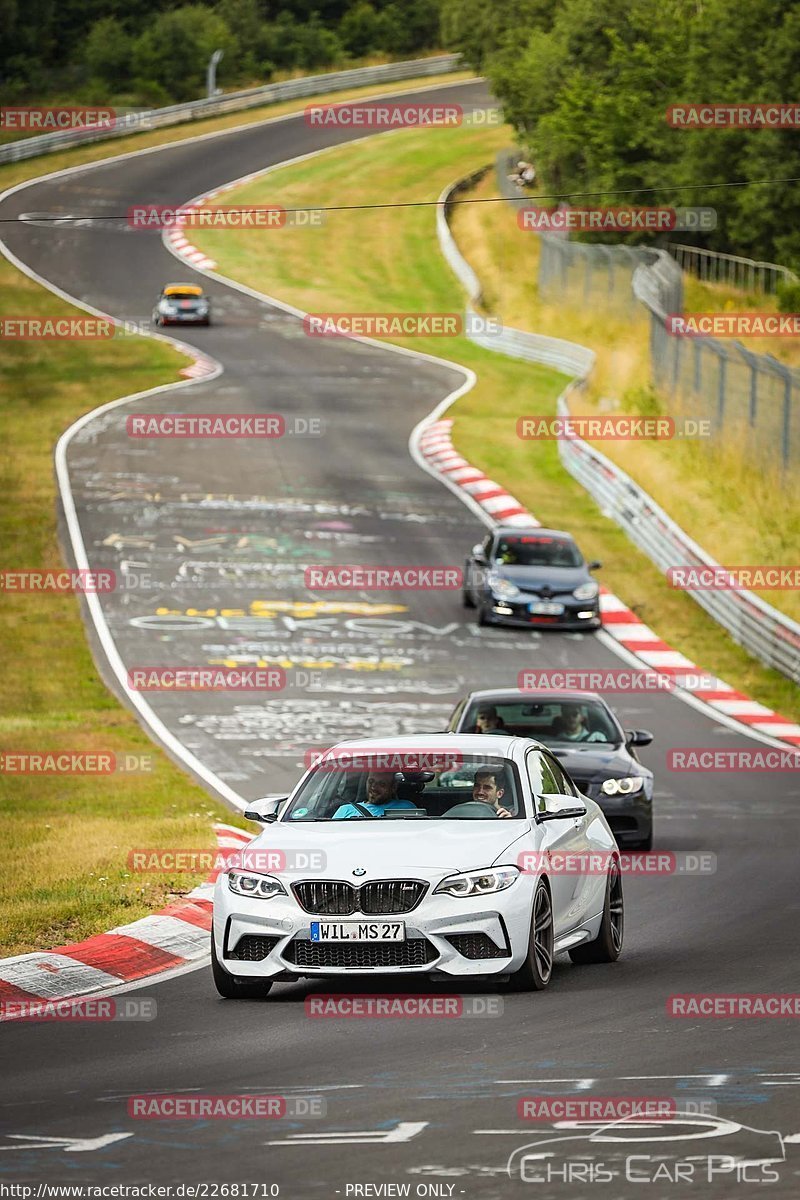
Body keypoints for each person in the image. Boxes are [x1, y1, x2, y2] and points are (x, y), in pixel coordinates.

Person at [331, 771, 417, 820]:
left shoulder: (407, 807)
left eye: (382, 784)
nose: (373, 787)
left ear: (393, 787)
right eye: (371, 781)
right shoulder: (345, 810)